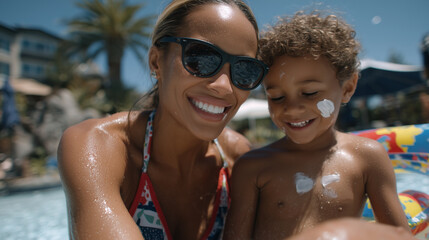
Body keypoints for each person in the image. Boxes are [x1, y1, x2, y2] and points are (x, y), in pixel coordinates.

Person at [57, 0, 269, 239]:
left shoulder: (237, 160)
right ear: (156, 61)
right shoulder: (99, 148)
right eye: (202, 58)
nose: (224, 87)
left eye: (245, 70)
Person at [223, 11, 410, 240]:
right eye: (277, 97)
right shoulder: (253, 167)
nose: (292, 109)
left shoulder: (367, 158)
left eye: (309, 93)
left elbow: (399, 236)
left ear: (348, 87)